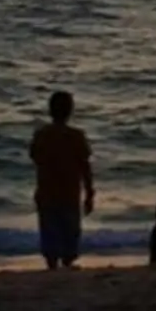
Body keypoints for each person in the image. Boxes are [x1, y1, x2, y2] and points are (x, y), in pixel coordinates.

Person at [29, 90, 94, 269]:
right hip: (69, 191)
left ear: (50, 110)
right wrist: (90, 192)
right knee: (70, 229)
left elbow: (35, 157)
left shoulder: (42, 135)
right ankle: (67, 260)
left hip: (46, 190)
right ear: (71, 110)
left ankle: (52, 263)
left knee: (49, 228)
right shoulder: (76, 136)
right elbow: (85, 166)